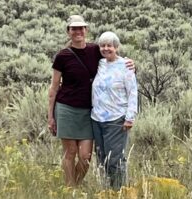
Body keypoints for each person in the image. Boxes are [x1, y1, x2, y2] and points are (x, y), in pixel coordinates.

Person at [47, 16, 134, 188]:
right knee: (70, 152)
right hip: (66, 108)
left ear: (86, 30)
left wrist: (130, 63)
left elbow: (113, 58)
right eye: (74, 28)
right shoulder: (62, 56)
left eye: (81, 28)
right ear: (68, 31)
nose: (78, 31)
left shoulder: (95, 50)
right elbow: (54, 88)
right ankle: (71, 189)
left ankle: (75, 185)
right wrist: (50, 116)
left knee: (85, 156)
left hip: (89, 111)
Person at [91, 31, 138, 189]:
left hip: (116, 119)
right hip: (97, 118)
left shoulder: (126, 66)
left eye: (109, 45)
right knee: (102, 157)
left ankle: (119, 192)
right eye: (102, 46)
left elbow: (132, 92)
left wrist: (130, 117)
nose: (106, 49)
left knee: (115, 159)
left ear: (116, 47)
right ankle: (107, 189)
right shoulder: (100, 64)